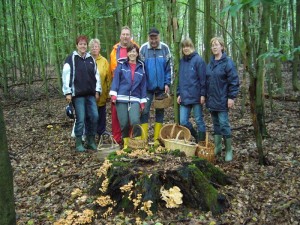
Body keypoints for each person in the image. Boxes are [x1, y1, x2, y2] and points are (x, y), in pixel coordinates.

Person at [62, 35, 101, 152]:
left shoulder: (91, 59)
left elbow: (96, 76)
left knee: (94, 116)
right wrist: (67, 92)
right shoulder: (71, 59)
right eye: (81, 44)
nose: (83, 46)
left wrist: (97, 90)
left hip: (90, 94)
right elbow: (66, 76)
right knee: (81, 118)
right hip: (77, 94)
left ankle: (91, 140)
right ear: (77, 46)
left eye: (84, 44)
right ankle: (79, 143)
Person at [206, 37, 239, 162]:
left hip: (223, 99)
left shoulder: (227, 63)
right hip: (212, 99)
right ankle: (218, 148)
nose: (214, 47)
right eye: (212, 45)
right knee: (216, 125)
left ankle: (229, 150)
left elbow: (234, 81)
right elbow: (207, 81)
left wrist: (231, 97)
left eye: (217, 45)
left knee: (224, 124)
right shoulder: (210, 63)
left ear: (222, 47)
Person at [109, 43, 147, 149]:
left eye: (134, 51)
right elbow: (116, 80)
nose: (132, 53)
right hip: (121, 98)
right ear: (127, 53)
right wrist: (114, 95)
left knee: (135, 121)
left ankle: (138, 144)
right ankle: (126, 144)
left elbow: (143, 85)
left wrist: (143, 101)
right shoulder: (121, 65)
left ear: (137, 53)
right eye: (130, 51)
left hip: (135, 98)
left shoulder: (141, 66)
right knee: (124, 123)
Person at [140, 27, 172, 146]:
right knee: (144, 111)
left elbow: (169, 67)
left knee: (160, 110)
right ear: (148, 38)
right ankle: (143, 138)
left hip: (161, 87)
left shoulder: (165, 48)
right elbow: (140, 68)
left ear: (159, 37)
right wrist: (142, 85)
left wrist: (167, 83)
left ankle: (156, 139)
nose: (153, 40)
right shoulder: (143, 49)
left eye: (155, 38)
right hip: (147, 87)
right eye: (151, 38)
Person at [110, 26, 138, 145]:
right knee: (117, 115)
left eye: (127, 34)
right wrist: (113, 91)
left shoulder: (136, 47)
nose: (125, 36)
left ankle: (131, 139)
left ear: (130, 36)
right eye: (123, 34)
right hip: (118, 88)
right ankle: (117, 138)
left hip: (133, 89)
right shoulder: (115, 50)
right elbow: (111, 69)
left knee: (132, 116)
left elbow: (140, 66)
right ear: (120, 36)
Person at [177, 38, 206, 143]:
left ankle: (202, 143)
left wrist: (203, 94)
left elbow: (203, 79)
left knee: (199, 120)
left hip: (196, 95)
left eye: (188, 46)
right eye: (184, 46)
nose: (186, 48)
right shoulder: (181, 61)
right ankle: (196, 136)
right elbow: (179, 79)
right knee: (183, 121)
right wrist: (178, 93)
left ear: (192, 47)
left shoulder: (198, 60)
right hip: (184, 95)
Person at [89, 38, 111, 137]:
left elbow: (108, 78)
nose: (94, 48)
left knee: (101, 113)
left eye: (96, 46)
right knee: (91, 114)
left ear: (99, 48)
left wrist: (109, 92)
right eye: (92, 46)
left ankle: (101, 132)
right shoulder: (86, 59)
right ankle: (91, 133)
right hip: (88, 93)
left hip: (102, 93)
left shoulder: (104, 61)